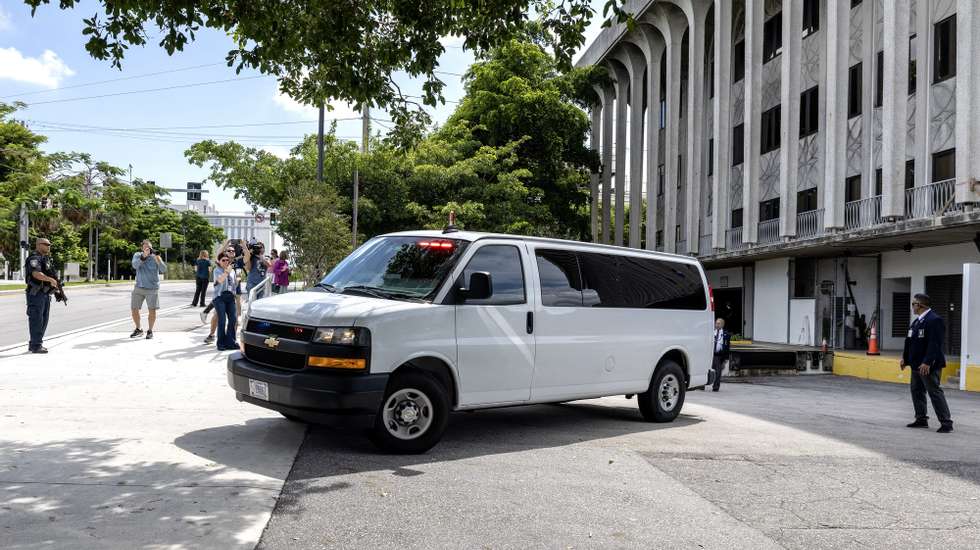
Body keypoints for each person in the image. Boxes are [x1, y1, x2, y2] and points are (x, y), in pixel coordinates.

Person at [900, 293, 953, 433]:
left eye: (913, 304)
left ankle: (946, 422)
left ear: (920, 305)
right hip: (916, 364)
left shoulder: (934, 320)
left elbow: (935, 343)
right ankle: (921, 418)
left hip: (928, 365)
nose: (912, 306)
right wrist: (905, 358)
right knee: (916, 391)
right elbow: (909, 341)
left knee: (934, 392)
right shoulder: (917, 322)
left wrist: (928, 362)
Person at [24, 237, 59, 353]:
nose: (48, 246)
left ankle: (35, 343)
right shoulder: (34, 258)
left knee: (44, 320)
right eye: (46, 244)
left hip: (45, 294)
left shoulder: (45, 259)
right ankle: (36, 345)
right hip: (36, 294)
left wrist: (56, 286)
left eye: (49, 245)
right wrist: (50, 280)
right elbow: (36, 274)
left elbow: (50, 274)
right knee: (36, 319)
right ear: (38, 245)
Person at [130, 239, 167, 339]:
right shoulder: (138, 255)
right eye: (145, 247)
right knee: (134, 309)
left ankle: (150, 330)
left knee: (152, 310)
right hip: (139, 287)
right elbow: (135, 265)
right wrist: (144, 257)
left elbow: (164, 269)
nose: (147, 249)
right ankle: (138, 329)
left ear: (151, 248)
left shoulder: (155, 257)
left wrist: (158, 259)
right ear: (142, 248)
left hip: (152, 288)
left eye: (149, 247)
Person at [212, 254, 239, 350]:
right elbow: (220, 280)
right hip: (219, 297)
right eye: (223, 260)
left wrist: (237, 281)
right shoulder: (217, 270)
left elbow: (233, 284)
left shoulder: (232, 271)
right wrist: (227, 271)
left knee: (233, 319)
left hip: (230, 297)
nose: (226, 262)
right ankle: (221, 343)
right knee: (222, 320)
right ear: (219, 261)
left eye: (227, 260)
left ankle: (231, 342)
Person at [710, 318, 731, 392]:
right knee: (707, 370)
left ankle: (715, 387)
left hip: (719, 356)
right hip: (710, 355)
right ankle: (701, 385)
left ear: (722, 324)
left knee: (718, 372)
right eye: (716, 323)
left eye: (719, 323)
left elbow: (727, 347)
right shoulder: (712, 332)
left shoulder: (726, 334)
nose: (717, 325)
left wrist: (726, 359)